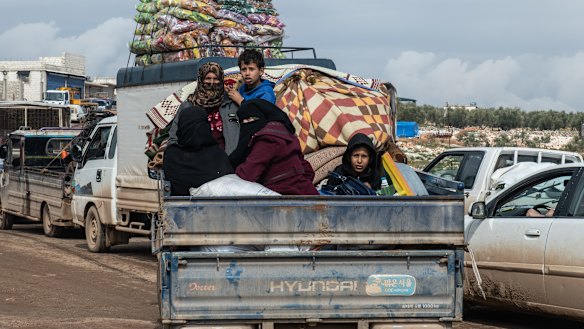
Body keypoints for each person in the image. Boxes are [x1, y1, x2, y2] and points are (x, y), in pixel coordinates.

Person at [229, 99, 318, 195]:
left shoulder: (267, 140)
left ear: (261, 117)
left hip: (285, 197)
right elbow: (307, 170)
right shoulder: (286, 135)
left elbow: (247, 174)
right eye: (243, 121)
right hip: (306, 193)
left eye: (250, 119)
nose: (246, 123)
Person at [168, 62, 239, 155]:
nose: (212, 83)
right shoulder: (188, 106)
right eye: (208, 78)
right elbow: (174, 137)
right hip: (195, 164)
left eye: (216, 79)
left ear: (221, 80)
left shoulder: (230, 104)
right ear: (201, 80)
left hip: (226, 163)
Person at [163, 104, 234, 196]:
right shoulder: (218, 155)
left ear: (181, 127)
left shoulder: (172, 155)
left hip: (181, 207)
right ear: (206, 125)